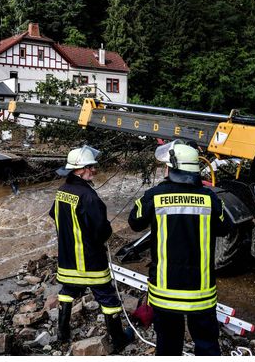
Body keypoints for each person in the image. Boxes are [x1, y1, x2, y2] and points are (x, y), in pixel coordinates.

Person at [128, 140, 232, 356]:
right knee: (207, 345)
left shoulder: (155, 195)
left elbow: (134, 222)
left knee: (168, 346)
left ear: (173, 168)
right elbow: (225, 229)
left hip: (165, 293)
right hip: (201, 293)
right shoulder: (210, 198)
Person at [49, 145, 133, 353]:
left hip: (68, 260)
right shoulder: (88, 196)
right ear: (79, 170)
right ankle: (118, 338)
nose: (95, 170)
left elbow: (54, 215)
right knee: (108, 298)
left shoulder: (62, 191)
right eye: (91, 167)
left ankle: (62, 334)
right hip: (90, 261)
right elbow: (101, 231)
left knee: (68, 291)